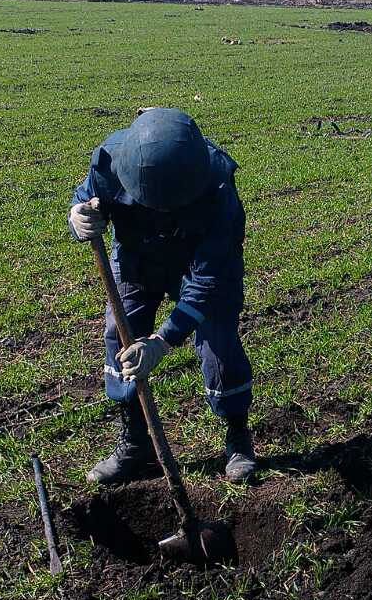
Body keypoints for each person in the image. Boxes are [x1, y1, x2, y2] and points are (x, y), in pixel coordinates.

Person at [68, 107, 257, 485]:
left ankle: (237, 438)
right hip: (139, 258)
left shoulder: (219, 188)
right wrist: (77, 216)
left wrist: (162, 342)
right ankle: (135, 444)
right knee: (117, 336)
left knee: (218, 344)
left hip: (199, 265)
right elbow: (88, 197)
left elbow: (208, 283)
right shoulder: (111, 160)